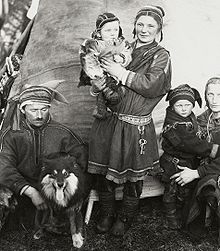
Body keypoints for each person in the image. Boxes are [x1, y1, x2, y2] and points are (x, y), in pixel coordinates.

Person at [87, 5, 172, 236]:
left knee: (133, 177)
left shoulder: (160, 55)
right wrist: (98, 84)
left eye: (150, 26)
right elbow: (98, 72)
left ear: (159, 29)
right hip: (108, 120)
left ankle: (125, 217)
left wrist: (119, 72)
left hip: (135, 125)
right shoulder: (122, 46)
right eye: (140, 24)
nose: (144, 29)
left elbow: (152, 84)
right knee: (104, 170)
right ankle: (106, 212)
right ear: (134, 25)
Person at [0, 81, 88, 228]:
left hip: (52, 186)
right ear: (23, 110)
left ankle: (56, 217)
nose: (39, 115)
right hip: (20, 186)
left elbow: (82, 161)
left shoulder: (63, 133)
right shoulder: (11, 135)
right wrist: (30, 192)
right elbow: (3, 167)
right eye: (33, 110)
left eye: (44, 109)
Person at [160, 84, 220, 230]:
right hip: (174, 163)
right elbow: (192, 143)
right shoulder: (178, 124)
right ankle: (171, 216)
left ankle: (200, 213)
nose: (184, 108)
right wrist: (213, 150)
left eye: (188, 105)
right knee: (172, 190)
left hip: (199, 164)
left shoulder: (190, 117)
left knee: (186, 190)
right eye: (210, 94)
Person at [79, 12, 132, 119]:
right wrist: (99, 74)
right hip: (101, 73)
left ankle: (104, 110)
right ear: (99, 33)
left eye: (115, 30)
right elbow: (88, 58)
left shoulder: (122, 42)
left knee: (121, 93)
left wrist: (122, 58)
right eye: (108, 30)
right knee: (108, 93)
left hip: (117, 74)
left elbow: (128, 52)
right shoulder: (95, 44)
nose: (113, 33)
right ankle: (101, 110)